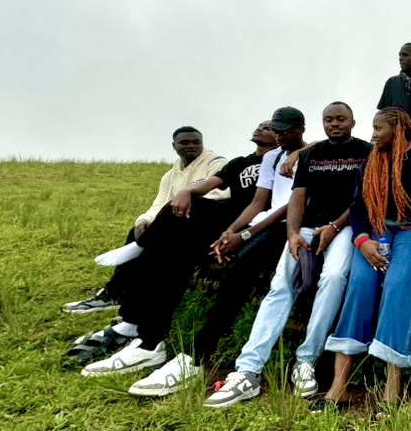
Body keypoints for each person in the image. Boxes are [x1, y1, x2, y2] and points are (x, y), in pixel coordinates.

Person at [122, 108, 309, 396]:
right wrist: (230, 232)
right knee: (187, 251)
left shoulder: (311, 154)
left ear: (301, 129)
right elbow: (258, 204)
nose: (281, 135)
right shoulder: (271, 158)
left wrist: (244, 234)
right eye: (278, 130)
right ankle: (144, 335)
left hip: (287, 226)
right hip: (260, 223)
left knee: (241, 270)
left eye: (284, 130)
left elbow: (289, 205)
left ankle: (199, 355)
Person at [68, 121, 278, 375]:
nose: (261, 127)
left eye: (270, 126)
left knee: (169, 231)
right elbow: (212, 182)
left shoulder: (287, 158)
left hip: (242, 220)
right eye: (261, 124)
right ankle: (142, 333)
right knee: (174, 248)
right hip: (229, 216)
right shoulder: (240, 162)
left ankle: (138, 318)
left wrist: (235, 231)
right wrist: (188, 190)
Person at [205, 102, 372, 407]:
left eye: (340, 119)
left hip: (345, 226)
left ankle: (306, 360)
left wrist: (334, 226)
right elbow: (298, 196)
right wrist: (293, 233)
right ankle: (248, 370)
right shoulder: (311, 155)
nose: (334, 124)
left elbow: (364, 199)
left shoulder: (366, 151)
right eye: (328, 120)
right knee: (281, 285)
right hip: (307, 227)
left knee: (334, 278)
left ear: (352, 121)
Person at [314, 109, 411, 412]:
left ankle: (390, 391)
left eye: (378, 128)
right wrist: (362, 240)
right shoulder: (371, 159)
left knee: (397, 286)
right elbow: (357, 206)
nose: (373, 134)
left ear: (397, 130)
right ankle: (337, 388)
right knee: (359, 285)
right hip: (376, 232)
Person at [63, 127, 228, 314]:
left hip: (202, 222)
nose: (191, 146)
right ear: (174, 145)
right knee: (137, 231)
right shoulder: (172, 173)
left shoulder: (216, 163)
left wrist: (184, 202)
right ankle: (115, 292)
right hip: (175, 220)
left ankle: (124, 292)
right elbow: (160, 202)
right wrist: (144, 220)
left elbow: (219, 195)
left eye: (196, 142)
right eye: (185, 142)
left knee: (156, 239)